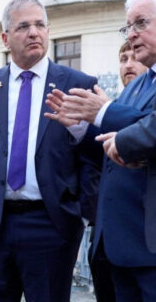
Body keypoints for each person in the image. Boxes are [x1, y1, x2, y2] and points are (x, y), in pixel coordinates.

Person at [0, 0, 101, 302]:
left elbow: (92, 157)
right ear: (5, 38)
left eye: (40, 25)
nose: (34, 32)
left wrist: (82, 214)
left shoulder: (77, 84)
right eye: (23, 26)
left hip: (51, 225)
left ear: (48, 31)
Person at [47, 0, 156, 301]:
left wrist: (104, 113)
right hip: (119, 246)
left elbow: (147, 128)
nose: (131, 35)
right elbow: (114, 151)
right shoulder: (137, 86)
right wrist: (81, 129)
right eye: (127, 27)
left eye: (141, 23)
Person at [88, 41, 145, 302]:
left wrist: (105, 111)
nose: (129, 65)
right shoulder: (116, 103)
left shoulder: (117, 109)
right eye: (123, 59)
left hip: (142, 246)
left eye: (135, 57)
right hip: (107, 244)